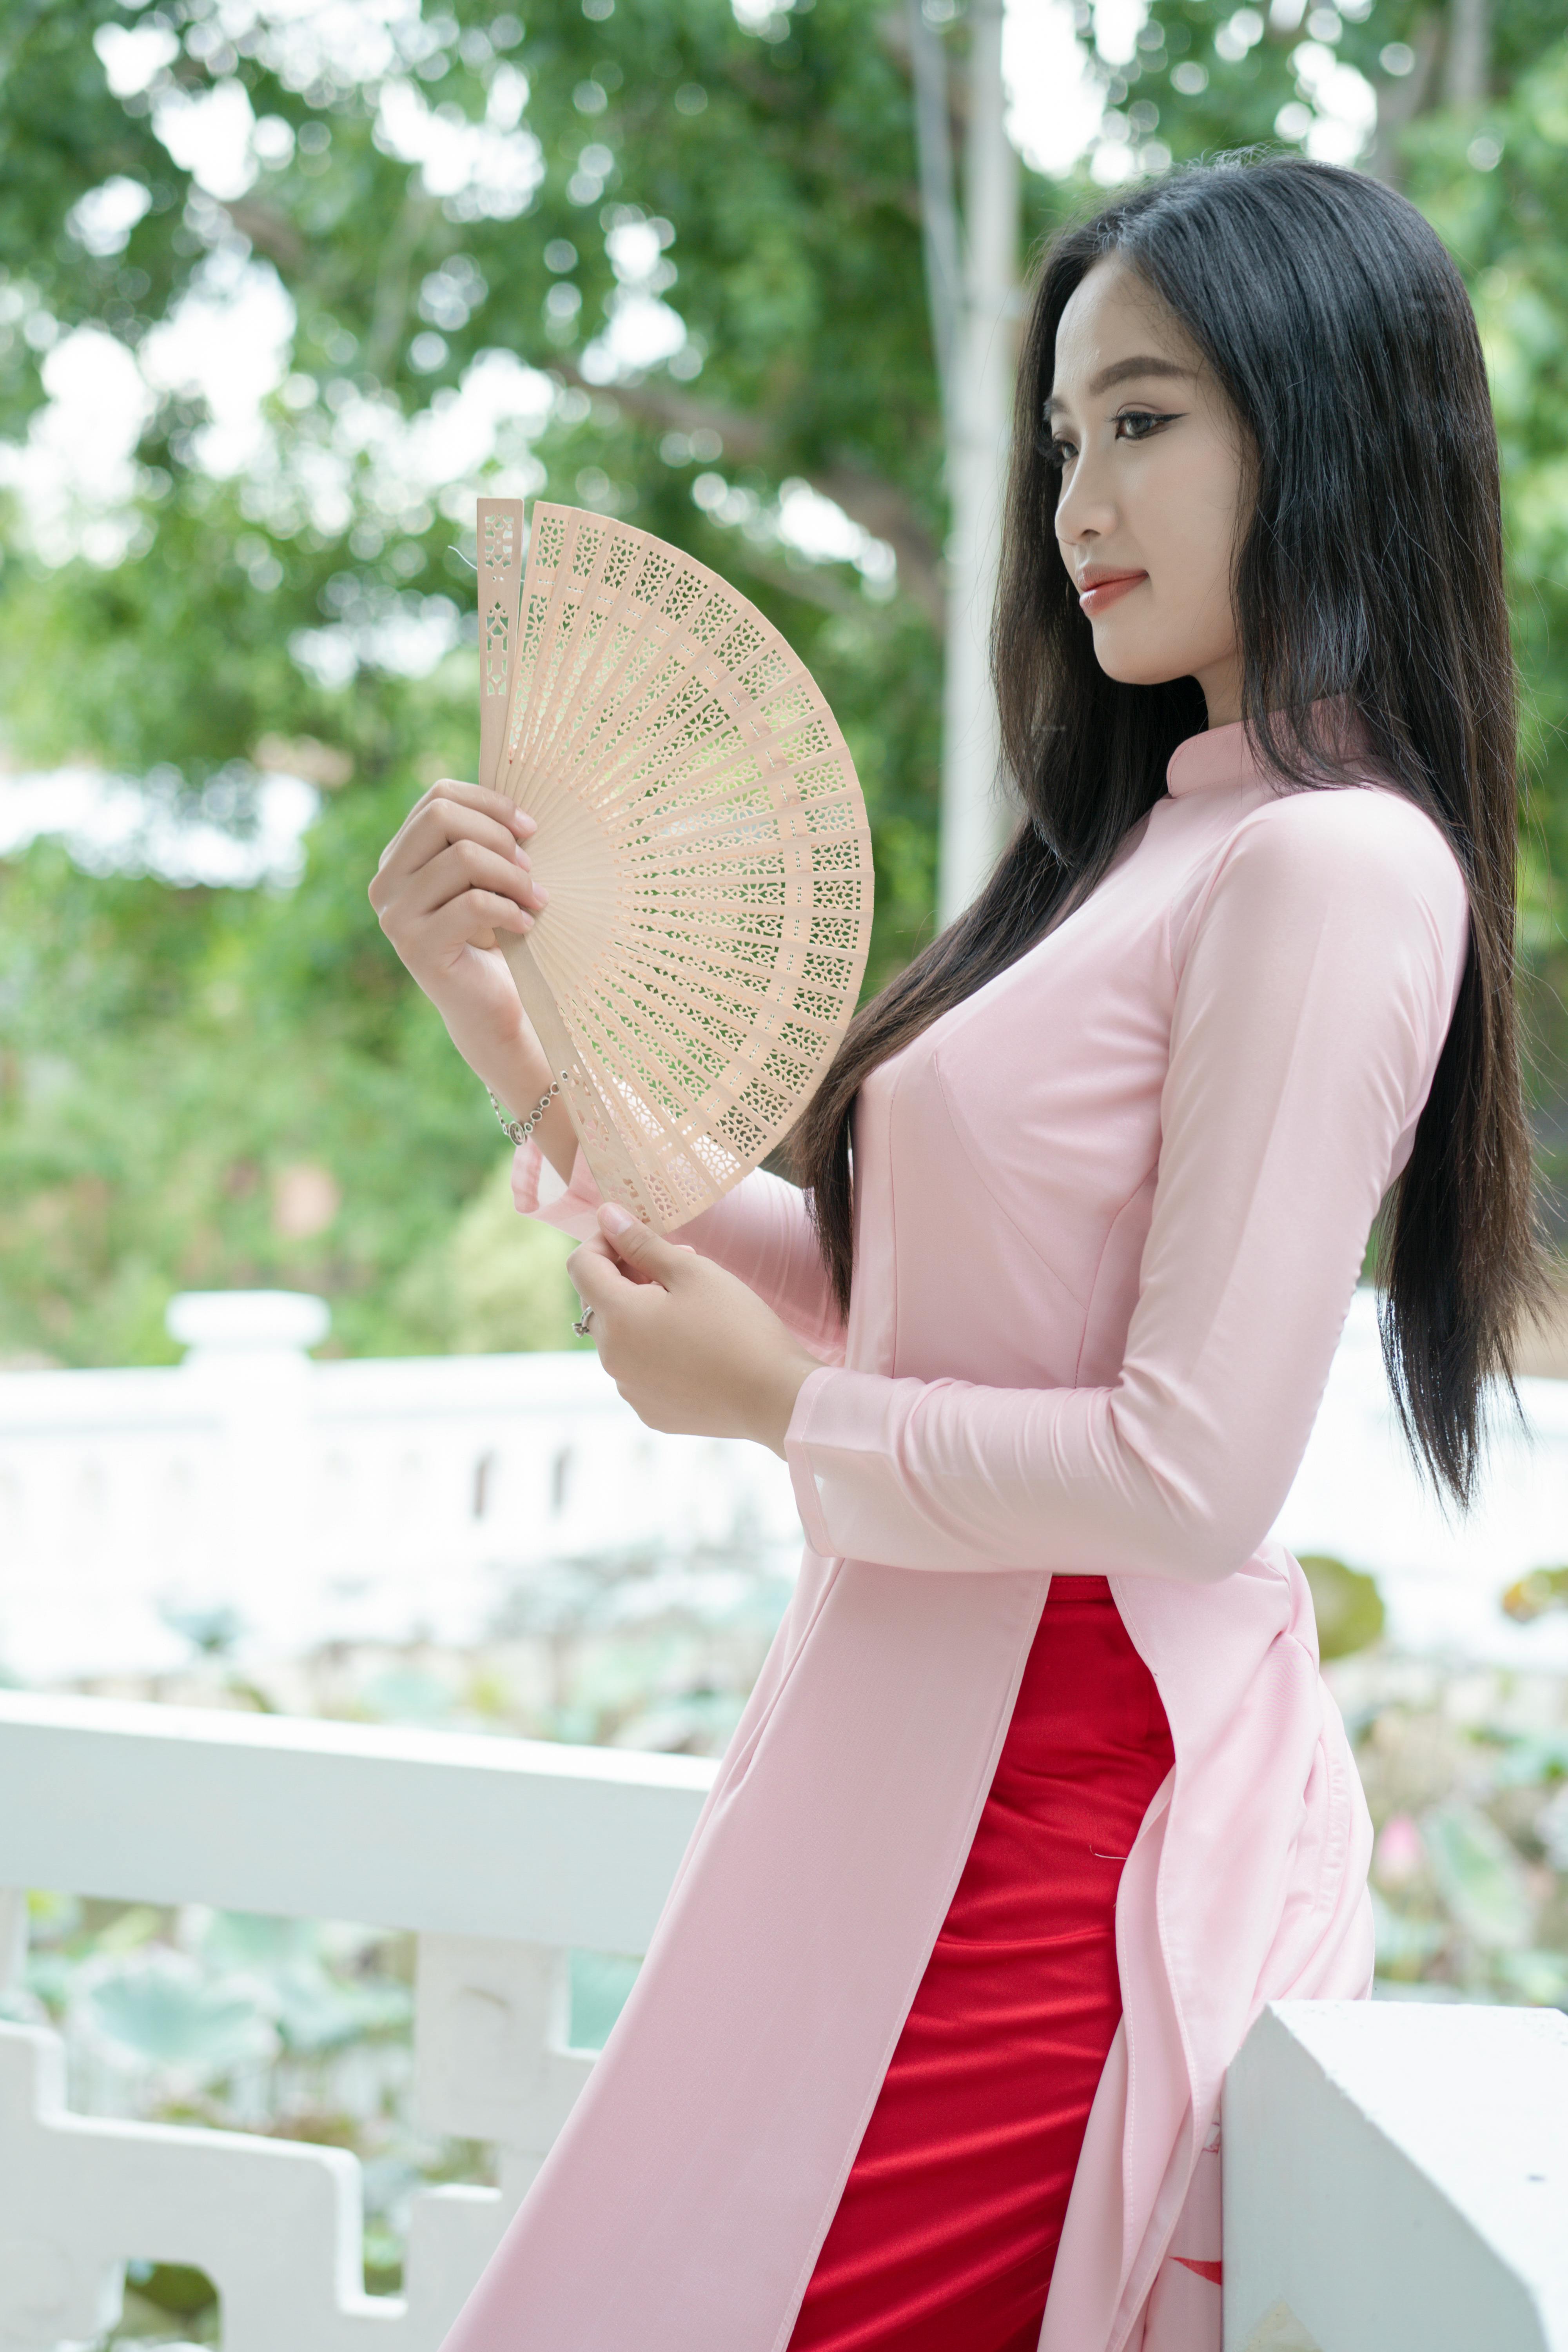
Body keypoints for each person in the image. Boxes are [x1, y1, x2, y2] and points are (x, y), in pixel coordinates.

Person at [369, 155, 1543, 2352]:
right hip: (887, 1751)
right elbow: (860, 1277)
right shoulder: (1143, 854)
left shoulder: (1336, 870)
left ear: (1338, 424)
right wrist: (496, 1017)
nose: (1080, 495)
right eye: (1063, 436)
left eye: (1150, 419)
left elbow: (1194, 1474)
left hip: (1054, 1825)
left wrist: (779, 1413)